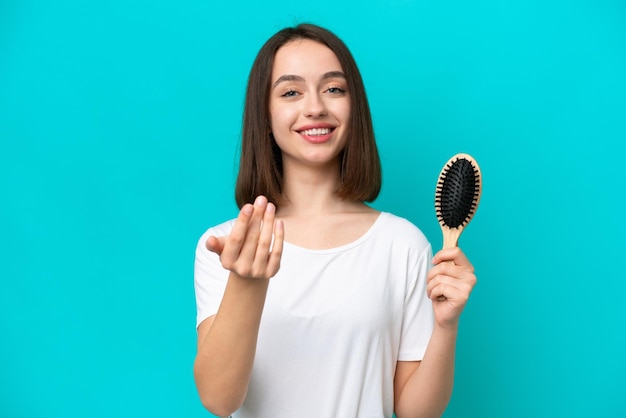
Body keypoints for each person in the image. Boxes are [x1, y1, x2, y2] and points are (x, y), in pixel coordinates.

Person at [193, 23, 477, 418]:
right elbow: (219, 400)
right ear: (264, 115)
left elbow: (416, 411)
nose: (315, 107)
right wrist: (247, 280)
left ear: (353, 107)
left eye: (334, 89)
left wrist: (446, 326)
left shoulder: (403, 244)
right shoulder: (226, 247)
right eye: (291, 92)